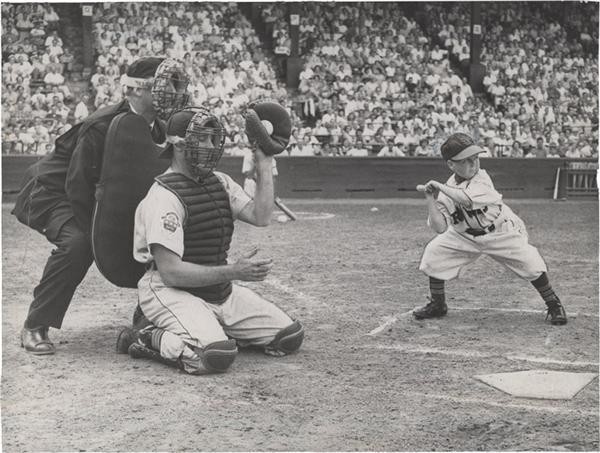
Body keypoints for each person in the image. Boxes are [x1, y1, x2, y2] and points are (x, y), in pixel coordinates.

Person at [12, 57, 190, 355]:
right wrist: (101, 235)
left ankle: (148, 315)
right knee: (79, 244)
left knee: (156, 241)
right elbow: (77, 184)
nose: (170, 94)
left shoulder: (158, 129)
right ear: (134, 91)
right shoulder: (101, 125)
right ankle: (35, 324)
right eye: (160, 87)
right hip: (52, 193)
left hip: (93, 197)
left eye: (173, 87)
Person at [116, 107, 303, 374]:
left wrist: (263, 160)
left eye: (214, 139)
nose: (211, 146)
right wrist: (234, 271)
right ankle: (144, 335)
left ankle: (206, 326)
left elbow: (261, 216)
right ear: (179, 144)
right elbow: (170, 273)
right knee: (214, 356)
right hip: (171, 291)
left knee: (288, 337)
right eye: (203, 138)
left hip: (218, 291)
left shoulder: (220, 182)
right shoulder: (163, 197)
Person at [414, 133, 567, 325]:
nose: (474, 164)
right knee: (434, 253)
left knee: (531, 264)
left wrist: (439, 187)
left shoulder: (482, 178)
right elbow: (440, 228)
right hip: (464, 235)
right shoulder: (446, 191)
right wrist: (430, 199)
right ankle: (438, 304)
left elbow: (466, 200)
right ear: (451, 165)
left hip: (499, 231)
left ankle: (554, 304)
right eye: (466, 160)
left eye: (475, 158)